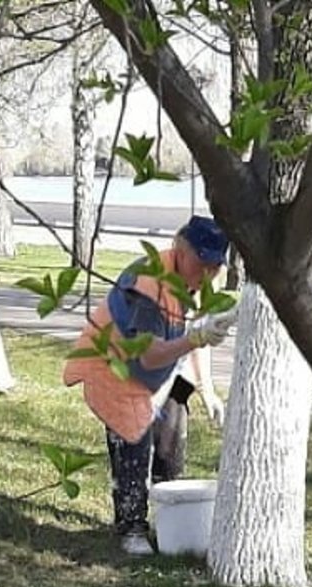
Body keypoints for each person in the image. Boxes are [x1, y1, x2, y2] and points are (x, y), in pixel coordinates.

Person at [64, 215, 236, 556]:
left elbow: (195, 335)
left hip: (164, 372)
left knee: (173, 433)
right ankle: (131, 526)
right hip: (115, 372)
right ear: (180, 250)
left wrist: (207, 389)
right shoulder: (147, 286)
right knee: (133, 441)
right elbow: (150, 357)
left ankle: (169, 516)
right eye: (202, 262)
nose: (209, 273)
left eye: (216, 265)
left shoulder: (200, 282)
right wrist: (196, 338)